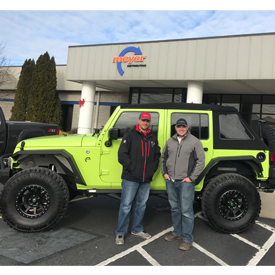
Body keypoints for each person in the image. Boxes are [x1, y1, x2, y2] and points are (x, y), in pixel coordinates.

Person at [115, 112, 161, 245]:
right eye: (143, 120)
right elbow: (122, 155)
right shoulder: (129, 135)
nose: (145, 123)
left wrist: (152, 169)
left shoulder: (153, 137)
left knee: (141, 205)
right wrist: (132, 168)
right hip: (130, 177)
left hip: (145, 179)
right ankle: (120, 233)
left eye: (147, 121)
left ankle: (137, 229)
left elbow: (157, 155)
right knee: (126, 206)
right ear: (139, 120)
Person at [161, 118, 205, 251]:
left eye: (183, 127)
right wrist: (165, 173)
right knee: (175, 208)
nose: (181, 128)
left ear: (187, 127)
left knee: (186, 211)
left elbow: (200, 161)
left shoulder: (195, 142)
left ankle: (187, 239)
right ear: (175, 128)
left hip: (185, 182)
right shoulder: (170, 141)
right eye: (179, 126)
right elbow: (163, 158)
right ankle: (177, 233)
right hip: (171, 180)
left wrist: (191, 178)